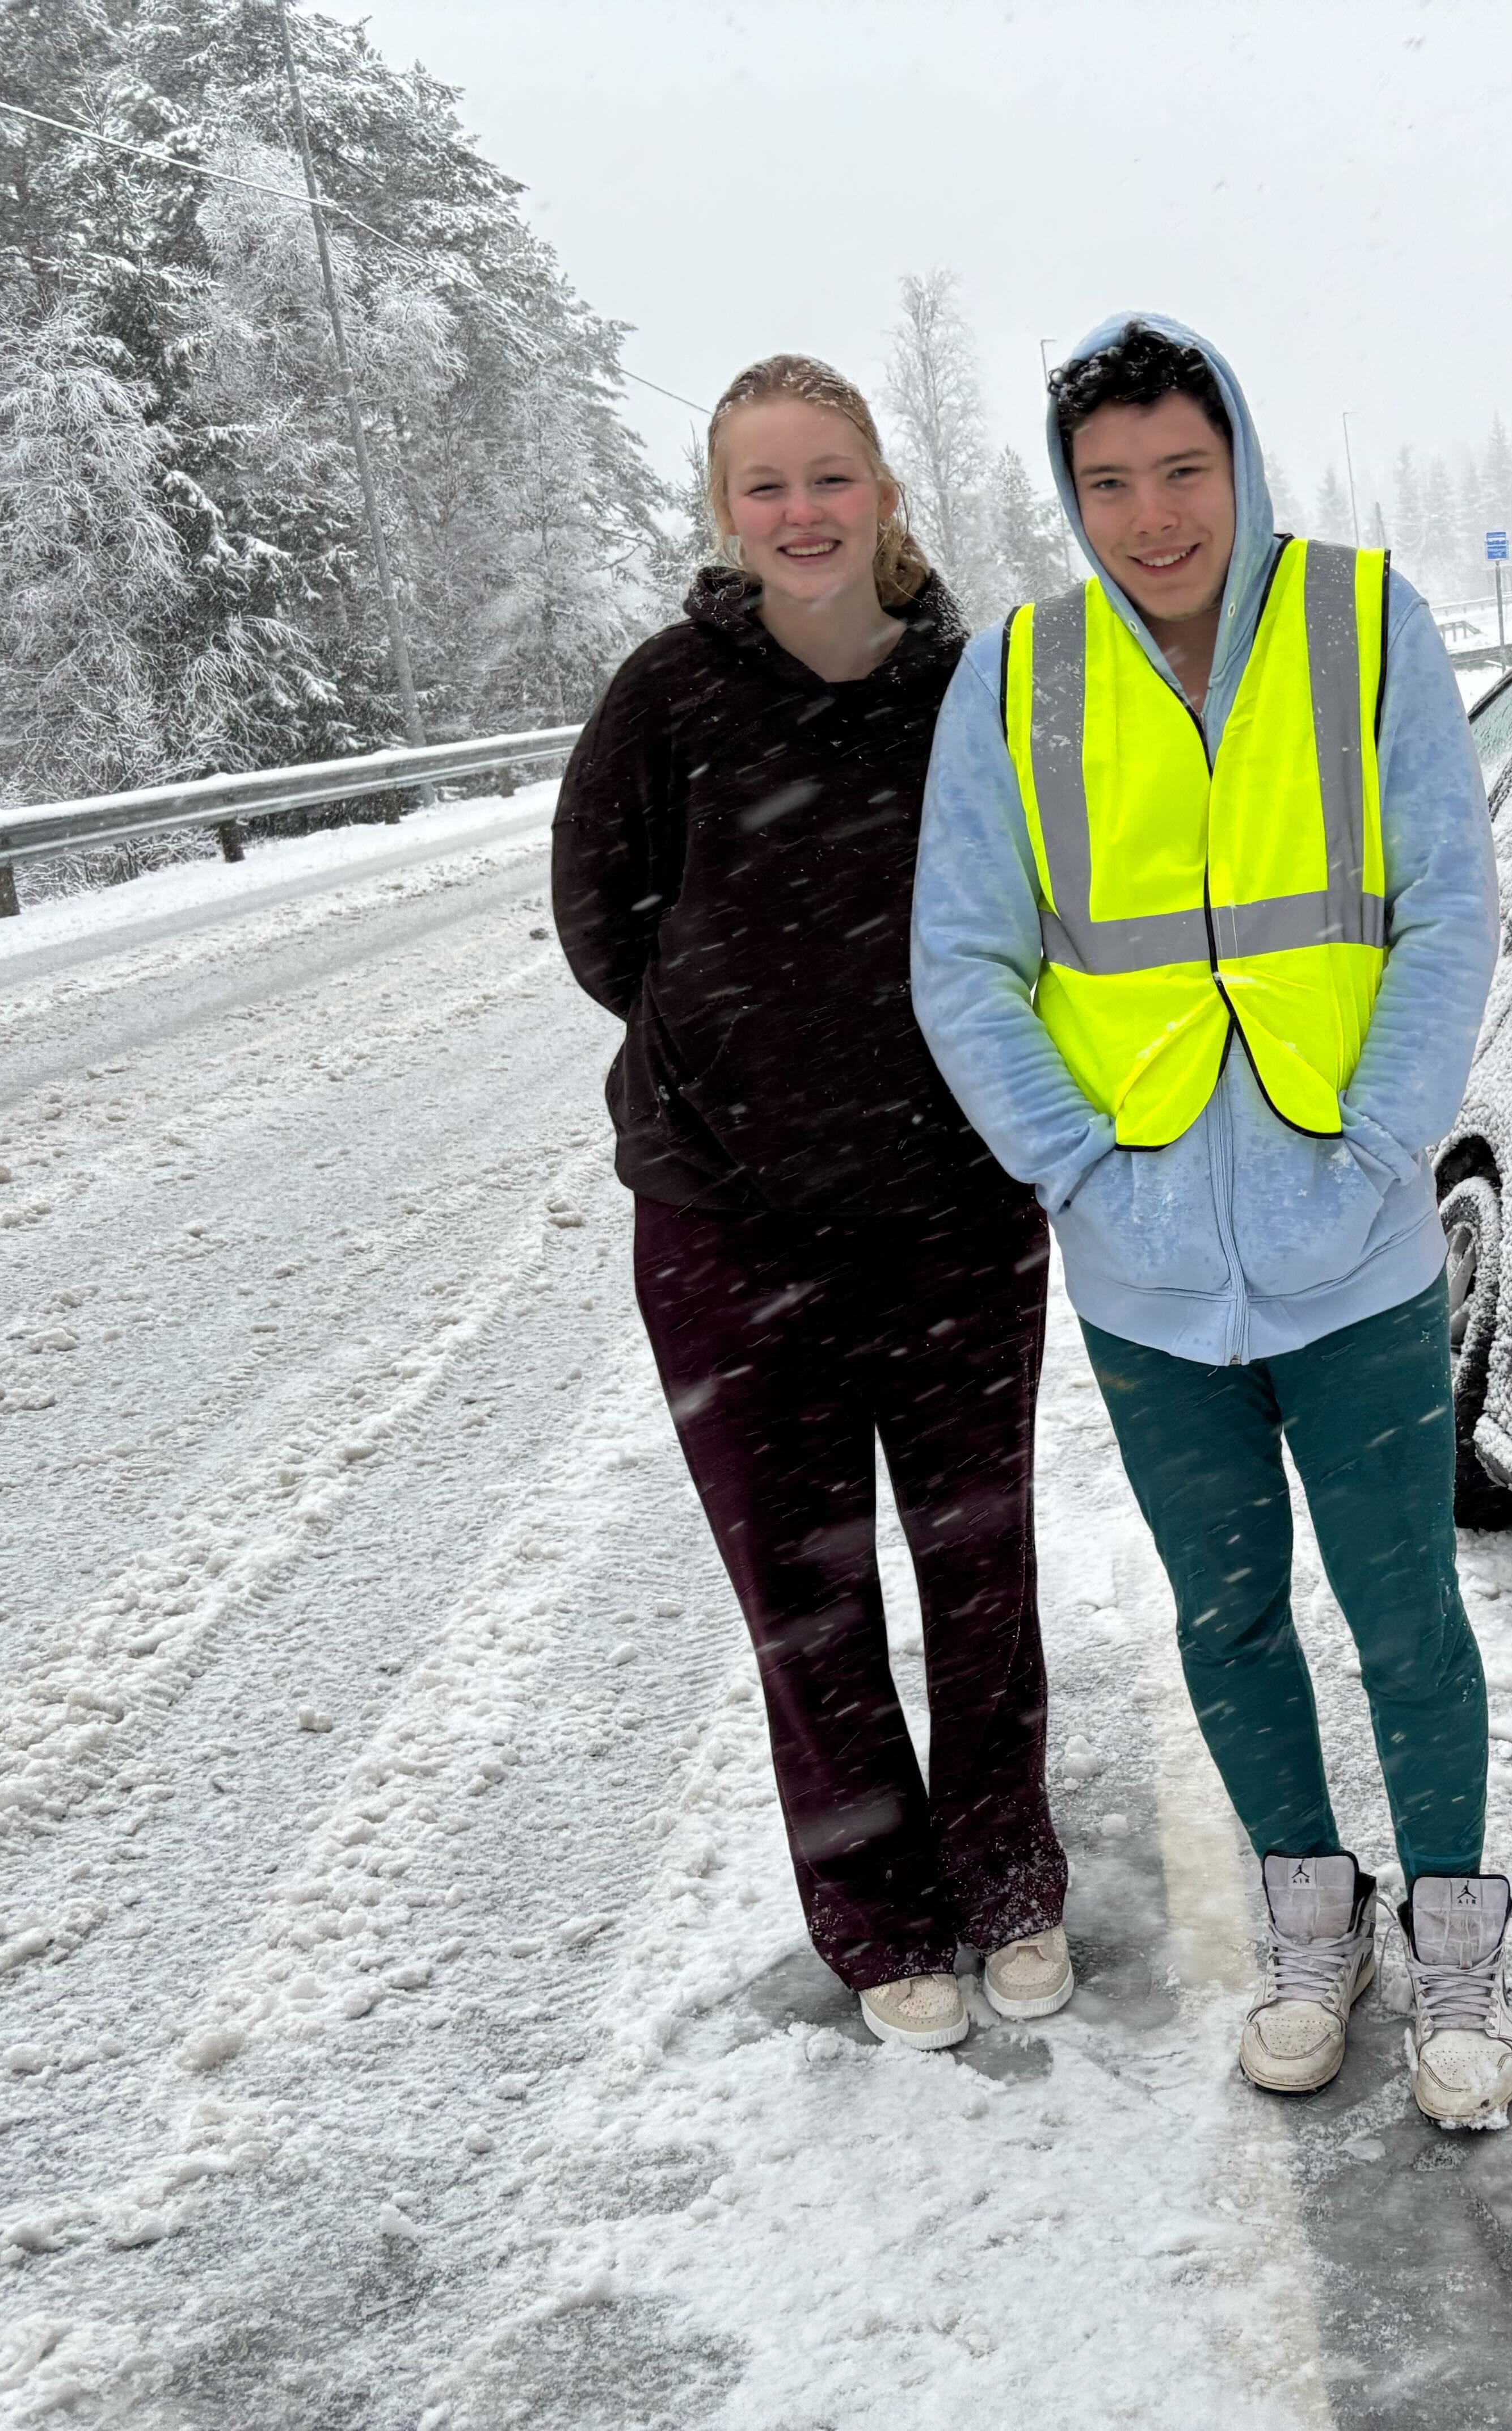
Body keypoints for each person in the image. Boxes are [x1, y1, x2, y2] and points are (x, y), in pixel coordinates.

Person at [909, 316, 1512, 2127]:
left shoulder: (1359, 622)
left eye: (1184, 470)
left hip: (1360, 1251)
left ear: (1238, 457)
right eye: (1110, 483)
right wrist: (1089, 1172)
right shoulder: (1019, 680)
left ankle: (1463, 1954)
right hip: (1149, 1272)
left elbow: (1446, 908)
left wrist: (1375, 1144)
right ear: (1070, 496)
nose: (1153, 516)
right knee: (1231, 1614)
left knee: (1407, 1614)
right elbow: (965, 964)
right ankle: (1309, 1921)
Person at [554, 356, 1067, 2055]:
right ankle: (880, 1910)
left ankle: (1007, 1876)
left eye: (829, 476)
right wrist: (739, 1059)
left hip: (955, 1207)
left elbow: (1051, 908)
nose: (801, 512)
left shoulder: (975, 694)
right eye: (764, 484)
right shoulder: (665, 700)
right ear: (724, 510)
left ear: (886, 492)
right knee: (808, 1589)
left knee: (978, 1564)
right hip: (729, 1226)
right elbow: (602, 935)